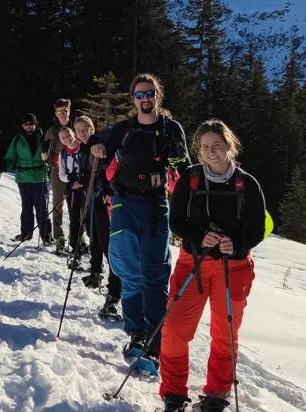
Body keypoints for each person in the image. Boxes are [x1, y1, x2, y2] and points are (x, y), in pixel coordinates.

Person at [159, 119, 268, 412]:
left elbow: (258, 228)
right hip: (193, 263)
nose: (211, 151)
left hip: (234, 268)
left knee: (225, 333)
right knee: (173, 328)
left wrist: (237, 244)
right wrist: (199, 237)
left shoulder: (247, 184)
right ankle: (173, 394)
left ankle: (216, 395)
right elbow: (176, 220)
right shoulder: (191, 178)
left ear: (229, 145)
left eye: (216, 145)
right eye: (205, 146)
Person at [91, 73, 190, 372]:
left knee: (155, 272)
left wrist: (177, 160)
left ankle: (155, 342)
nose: (145, 98)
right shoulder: (123, 129)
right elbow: (102, 152)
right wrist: (96, 149)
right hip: (124, 201)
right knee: (127, 266)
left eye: (150, 93)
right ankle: (136, 332)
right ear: (133, 99)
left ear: (158, 96)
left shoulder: (171, 128)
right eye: (139, 94)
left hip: (156, 204)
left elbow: (183, 167)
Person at [74, 115, 122, 321]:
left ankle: (115, 288)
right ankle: (96, 271)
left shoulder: (100, 145)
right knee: (93, 234)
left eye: (85, 128)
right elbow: (86, 171)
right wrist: (81, 179)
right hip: (91, 196)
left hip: (102, 197)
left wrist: (110, 190)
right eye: (78, 129)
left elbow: (111, 168)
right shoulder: (82, 149)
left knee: (107, 241)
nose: (82, 132)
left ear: (92, 128)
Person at [4, 113, 52, 244]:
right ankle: (25, 235)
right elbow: (11, 156)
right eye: (26, 124)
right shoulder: (17, 139)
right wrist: (5, 164)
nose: (29, 126)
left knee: (42, 208)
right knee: (26, 208)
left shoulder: (44, 137)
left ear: (35, 124)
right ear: (22, 125)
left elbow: (51, 154)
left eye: (31, 124)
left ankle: (47, 237)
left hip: (41, 177)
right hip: (24, 177)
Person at [44, 98, 75, 254]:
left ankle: (77, 236)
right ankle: (59, 236)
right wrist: (45, 154)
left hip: (75, 170)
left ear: (69, 111)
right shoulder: (51, 131)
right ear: (55, 113)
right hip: (57, 170)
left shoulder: (76, 126)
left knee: (75, 204)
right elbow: (45, 149)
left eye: (65, 111)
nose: (62, 114)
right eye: (59, 111)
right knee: (58, 203)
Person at [57, 126, 90, 269]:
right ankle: (74, 246)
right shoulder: (63, 153)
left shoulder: (84, 147)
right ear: (61, 140)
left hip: (86, 186)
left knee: (88, 216)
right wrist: (70, 178)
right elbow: (61, 174)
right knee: (74, 218)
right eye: (63, 137)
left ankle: (88, 244)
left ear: (73, 134)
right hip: (72, 188)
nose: (67, 139)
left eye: (68, 135)